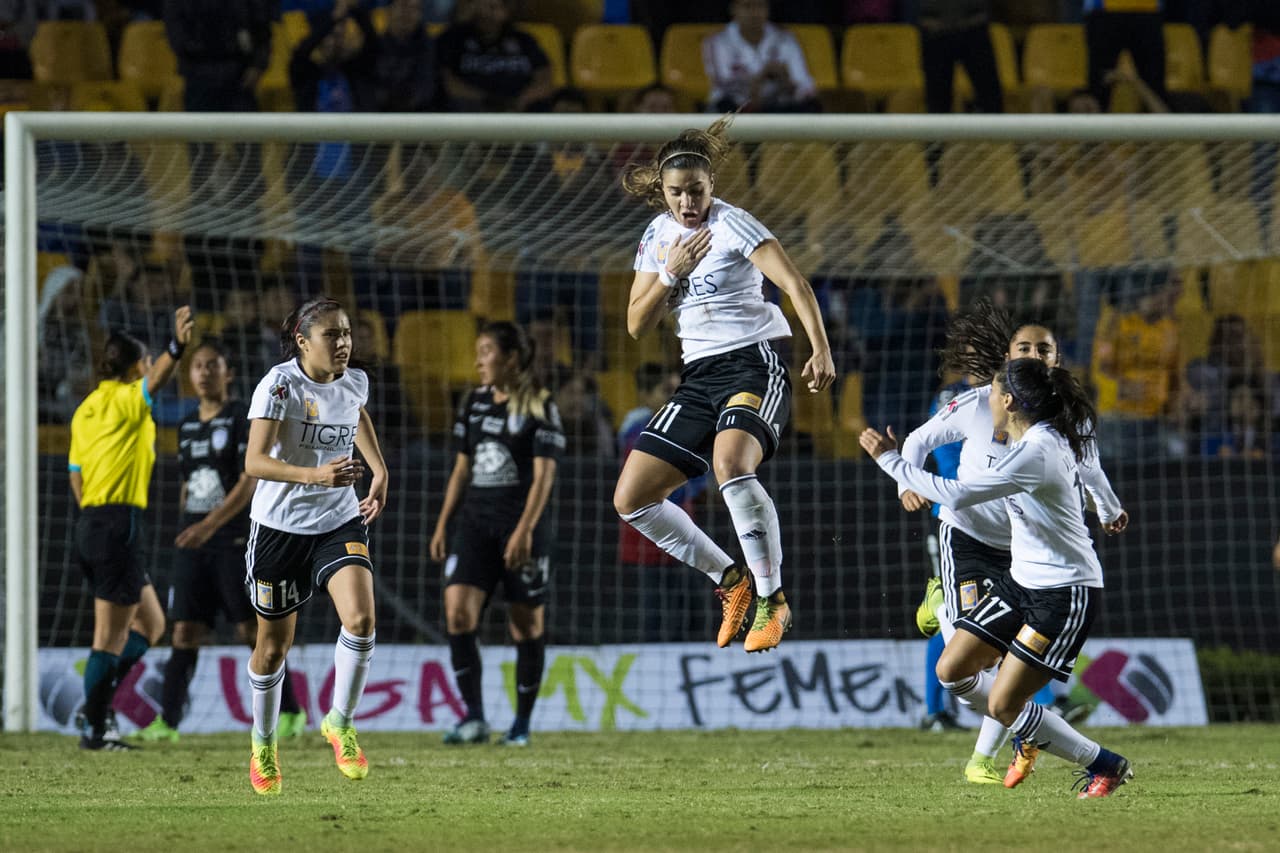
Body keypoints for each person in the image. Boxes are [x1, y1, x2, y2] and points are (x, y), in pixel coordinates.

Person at [861, 358, 1135, 799]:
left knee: (1004, 704)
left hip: (1063, 593)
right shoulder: (1034, 439)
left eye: (991, 392)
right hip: (1020, 583)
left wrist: (888, 460)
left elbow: (959, 494)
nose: (983, 398)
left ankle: (1104, 764)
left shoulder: (1037, 451)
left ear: (1007, 401)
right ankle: (1029, 730)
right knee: (952, 670)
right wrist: (1108, 508)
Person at [614, 116, 837, 653]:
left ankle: (772, 599)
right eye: (677, 193)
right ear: (663, 192)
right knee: (632, 498)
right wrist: (671, 272)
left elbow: (795, 284)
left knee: (731, 463)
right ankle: (731, 579)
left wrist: (821, 347)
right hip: (698, 376)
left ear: (711, 185)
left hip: (753, 363)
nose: (687, 202)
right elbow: (637, 324)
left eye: (696, 190)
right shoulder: (658, 236)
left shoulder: (735, 224)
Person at [242, 297, 390, 795]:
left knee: (362, 619)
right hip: (279, 527)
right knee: (272, 650)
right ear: (303, 342)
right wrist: (315, 475)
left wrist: (379, 468)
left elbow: (356, 413)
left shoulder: (355, 380)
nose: (343, 342)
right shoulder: (279, 385)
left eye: (346, 333)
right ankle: (264, 745)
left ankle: (340, 723)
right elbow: (254, 462)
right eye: (332, 335)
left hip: (337, 519)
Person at [136, 339, 306, 743]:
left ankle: (290, 711)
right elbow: (188, 482)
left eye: (213, 365)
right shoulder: (186, 425)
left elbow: (249, 480)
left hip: (232, 539)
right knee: (184, 633)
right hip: (193, 542)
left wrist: (210, 525)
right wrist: (190, 525)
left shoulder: (240, 418)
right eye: (198, 366)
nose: (204, 373)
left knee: (250, 631)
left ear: (228, 373)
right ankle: (167, 722)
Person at [430, 321, 564, 747]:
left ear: (511, 358)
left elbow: (544, 477)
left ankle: (521, 724)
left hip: (520, 527)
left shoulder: (540, 405)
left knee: (525, 624)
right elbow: (461, 469)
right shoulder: (473, 402)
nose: (478, 361)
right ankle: (474, 718)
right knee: (457, 612)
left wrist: (524, 530)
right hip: (475, 525)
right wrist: (443, 523)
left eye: (486, 351)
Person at [69, 305, 194, 750]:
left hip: (93, 521)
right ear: (136, 367)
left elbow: (75, 473)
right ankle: (94, 727)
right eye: (145, 361)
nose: (149, 367)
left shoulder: (85, 409)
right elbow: (155, 382)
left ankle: (96, 705)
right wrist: (176, 347)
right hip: (116, 522)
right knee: (109, 636)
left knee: (152, 624)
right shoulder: (126, 400)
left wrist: (94, 516)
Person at [618, 363, 709, 640]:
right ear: (646, 395)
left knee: (690, 608)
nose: (673, 398)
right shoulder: (639, 433)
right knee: (656, 613)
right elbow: (665, 488)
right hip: (650, 539)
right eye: (666, 391)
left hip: (681, 534)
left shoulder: (677, 427)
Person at [701, 0, 819, 113]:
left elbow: (806, 85)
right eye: (747, 6)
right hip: (736, 109)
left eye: (760, 5)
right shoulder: (718, 41)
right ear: (733, 9)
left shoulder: (785, 38)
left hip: (779, 107)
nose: (754, 13)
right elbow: (722, 85)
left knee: (811, 106)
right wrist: (760, 78)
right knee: (724, 104)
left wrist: (787, 81)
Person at [435, 0, 553, 112]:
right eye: (484, 6)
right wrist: (487, 100)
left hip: (522, 109)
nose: (488, 14)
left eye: (494, 7)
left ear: (506, 10)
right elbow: (446, 82)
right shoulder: (453, 39)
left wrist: (521, 101)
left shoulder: (524, 40)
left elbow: (544, 79)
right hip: (469, 111)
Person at [918, 0, 1002, 114]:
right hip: (934, 28)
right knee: (937, 102)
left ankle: (993, 125)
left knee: (990, 97)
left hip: (974, 25)